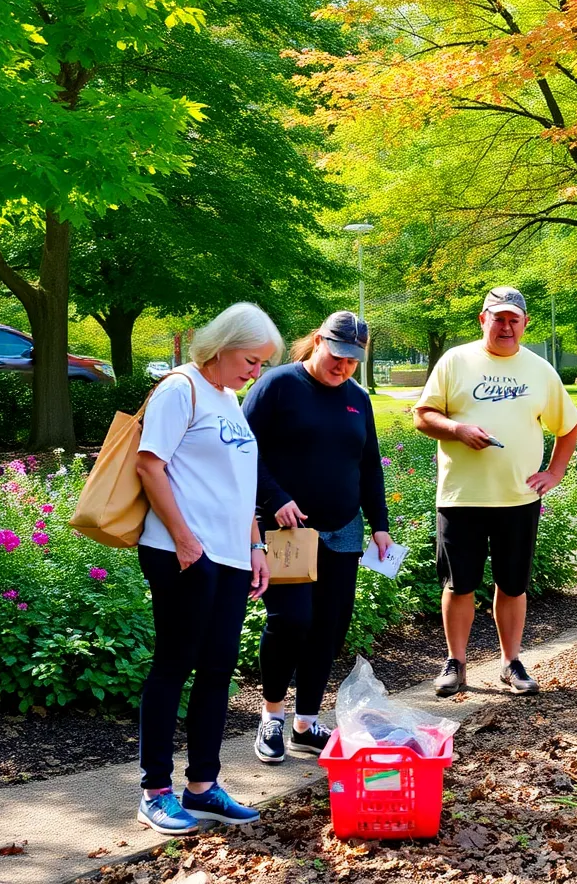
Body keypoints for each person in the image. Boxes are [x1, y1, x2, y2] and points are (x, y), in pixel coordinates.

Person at [135, 303, 283, 835]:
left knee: (218, 670)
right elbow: (149, 464)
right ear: (221, 346)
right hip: (183, 553)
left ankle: (202, 786)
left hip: (228, 555)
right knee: (174, 664)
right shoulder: (182, 388)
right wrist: (182, 537)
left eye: (263, 363)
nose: (255, 372)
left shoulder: (228, 397)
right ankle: (155, 790)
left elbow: (241, 485)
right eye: (250, 359)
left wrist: (256, 547)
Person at [242, 312, 395, 765]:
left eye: (353, 360)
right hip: (287, 530)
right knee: (292, 620)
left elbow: (369, 465)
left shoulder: (357, 399)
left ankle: (305, 725)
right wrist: (275, 498)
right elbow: (242, 448)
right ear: (318, 342)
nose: (343, 366)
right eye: (338, 354)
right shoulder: (277, 385)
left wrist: (380, 523)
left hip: (343, 528)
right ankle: (272, 717)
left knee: (329, 627)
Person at [413, 287, 577, 697]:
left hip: (517, 499)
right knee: (459, 584)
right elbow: (422, 416)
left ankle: (511, 662)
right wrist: (457, 429)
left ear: (524, 324)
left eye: (514, 319)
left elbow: (569, 425)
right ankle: (456, 663)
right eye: (498, 318)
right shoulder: (456, 361)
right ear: (482, 319)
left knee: (513, 585)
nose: (506, 326)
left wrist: (555, 472)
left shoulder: (540, 370)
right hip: (461, 497)